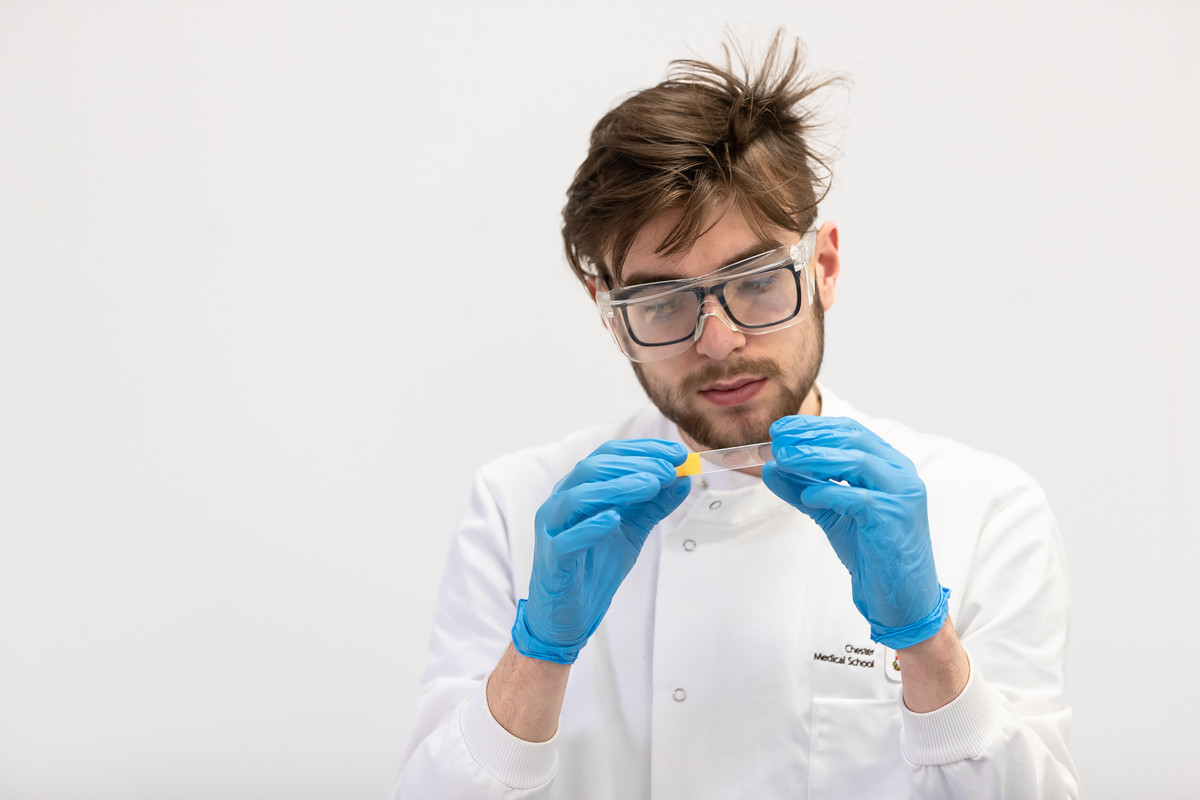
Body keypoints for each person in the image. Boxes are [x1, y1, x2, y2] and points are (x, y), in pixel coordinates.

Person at [392, 32, 1078, 799]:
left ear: (823, 267)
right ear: (610, 316)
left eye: (754, 280)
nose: (718, 342)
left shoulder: (984, 510)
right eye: (660, 301)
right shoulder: (519, 506)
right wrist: (539, 653)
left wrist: (927, 644)